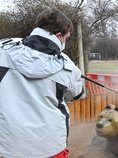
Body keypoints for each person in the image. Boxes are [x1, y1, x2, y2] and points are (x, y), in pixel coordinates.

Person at [0, 8, 84, 158]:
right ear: (59, 36)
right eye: (67, 37)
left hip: (9, 148)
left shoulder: (3, 49)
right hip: (51, 148)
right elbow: (77, 93)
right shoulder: (68, 67)